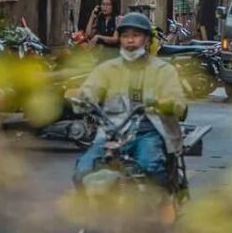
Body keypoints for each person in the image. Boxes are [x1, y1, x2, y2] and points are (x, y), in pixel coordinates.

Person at [72, 13, 186, 190]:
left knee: (152, 169)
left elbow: (179, 103)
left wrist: (165, 102)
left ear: (147, 40)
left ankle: (162, 208)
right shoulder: (107, 69)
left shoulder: (164, 70)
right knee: (82, 172)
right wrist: (83, 97)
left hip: (148, 132)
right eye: (125, 36)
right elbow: (90, 90)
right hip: (111, 132)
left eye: (136, 36)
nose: (130, 41)